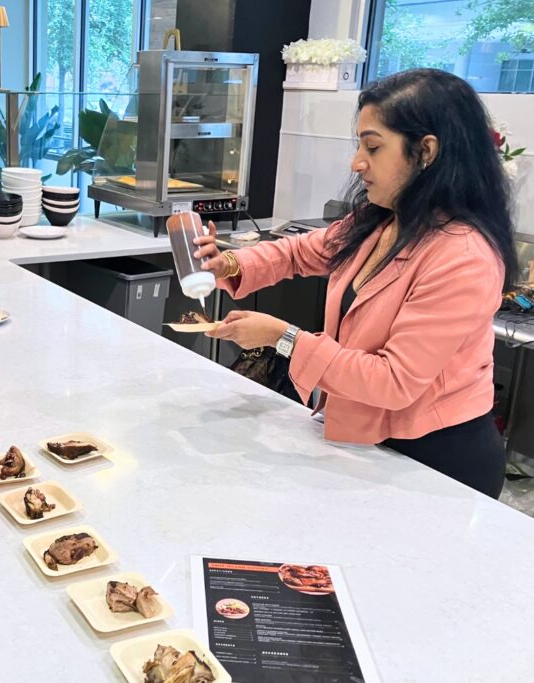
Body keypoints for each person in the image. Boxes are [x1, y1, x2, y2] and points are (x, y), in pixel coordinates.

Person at [196, 69, 516, 499]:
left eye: (373, 147)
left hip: (435, 458)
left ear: (426, 151)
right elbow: (298, 252)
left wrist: (283, 338)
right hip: (367, 439)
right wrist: (229, 263)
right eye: (360, 145)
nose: (357, 162)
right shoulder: (380, 221)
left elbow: (393, 380)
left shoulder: (463, 255)